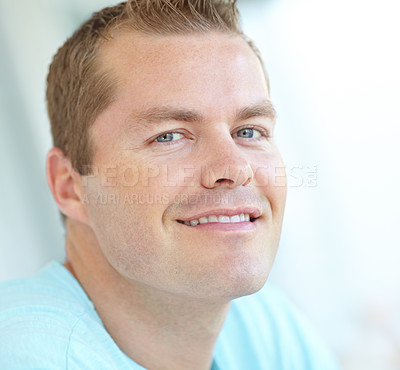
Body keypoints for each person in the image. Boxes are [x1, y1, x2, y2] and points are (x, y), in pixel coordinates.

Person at [0, 1, 340, 369]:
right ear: (69, 186)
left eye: (248, 131)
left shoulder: (264, 326)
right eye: (168, 136)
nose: (235, 168)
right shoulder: (25, 355)